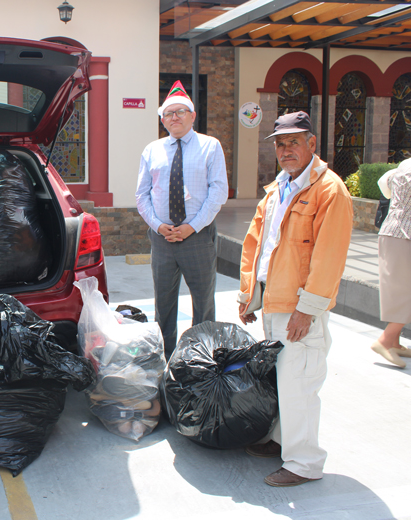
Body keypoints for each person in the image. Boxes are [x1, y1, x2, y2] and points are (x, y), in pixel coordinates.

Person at [238, 111, 353, 487]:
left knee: (300, 383)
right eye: (281, 144)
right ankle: (282, 439)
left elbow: (328, 257)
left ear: (312, 144)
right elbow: (257, 244)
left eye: (294, 142)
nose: (287, 150)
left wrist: (308, 310)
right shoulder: (279, 188)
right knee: (282, 379)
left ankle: (304, 463)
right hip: (274, 300)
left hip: (299, 307)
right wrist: (249, 294)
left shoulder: (329, 190)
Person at [135, 80, 229, 359]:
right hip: (162, 238)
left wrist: (191, 227)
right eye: (168, 114)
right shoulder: (152, 150)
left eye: (180, 112)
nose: (174, 117)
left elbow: (219, 190)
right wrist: (158, 225)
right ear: (163, 119)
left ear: (192, 115)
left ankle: (200, 358)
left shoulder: (210, 146)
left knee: (203, 302)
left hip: (198, 237)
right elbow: (142, 195)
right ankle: (165, 358)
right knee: (163, 303)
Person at [369, 158, 411, 368]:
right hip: (403, 235)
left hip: (394, 232)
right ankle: (385, 341)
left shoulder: (404, 166)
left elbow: (384, 184)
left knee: (399, 289)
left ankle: (394, 342)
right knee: (405, 291)